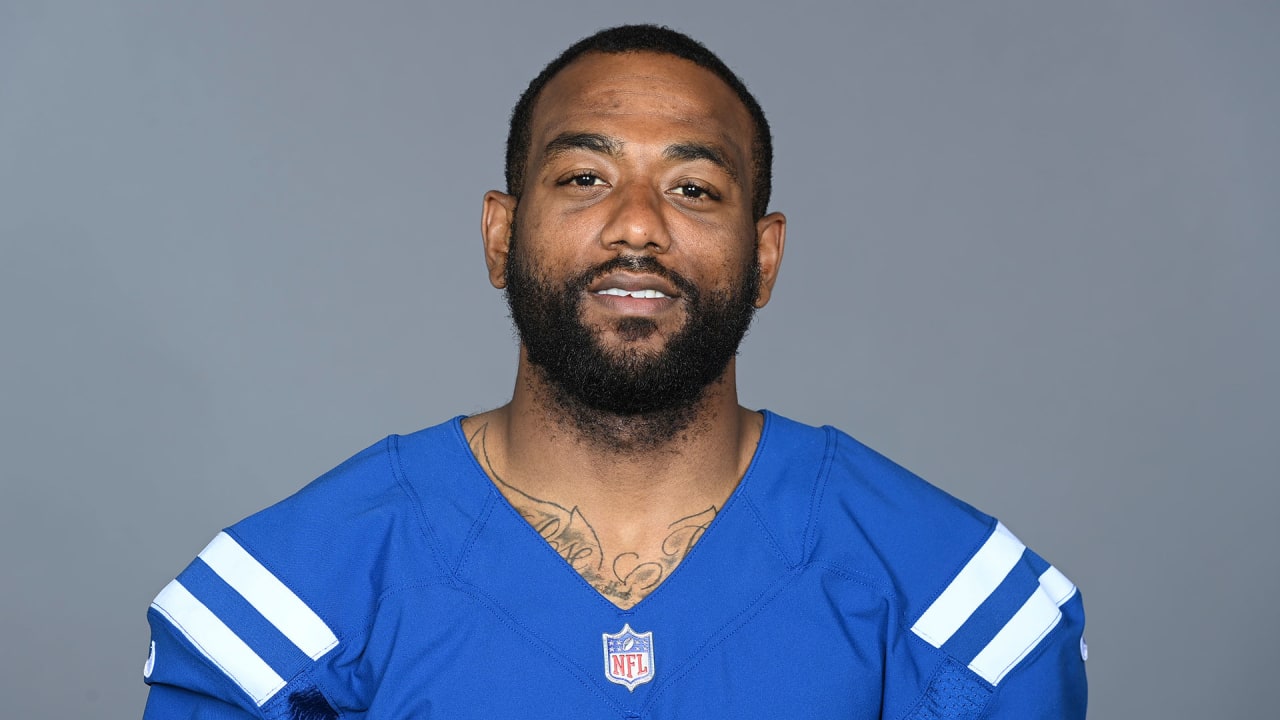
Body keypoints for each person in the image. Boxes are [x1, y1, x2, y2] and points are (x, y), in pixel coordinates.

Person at [141, 24, 1087, 719]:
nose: (638, 224)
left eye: (694, 189)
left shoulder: (946, 598)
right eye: (585, 178)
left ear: (764, 258)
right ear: (501, 234)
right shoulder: (296, 599)